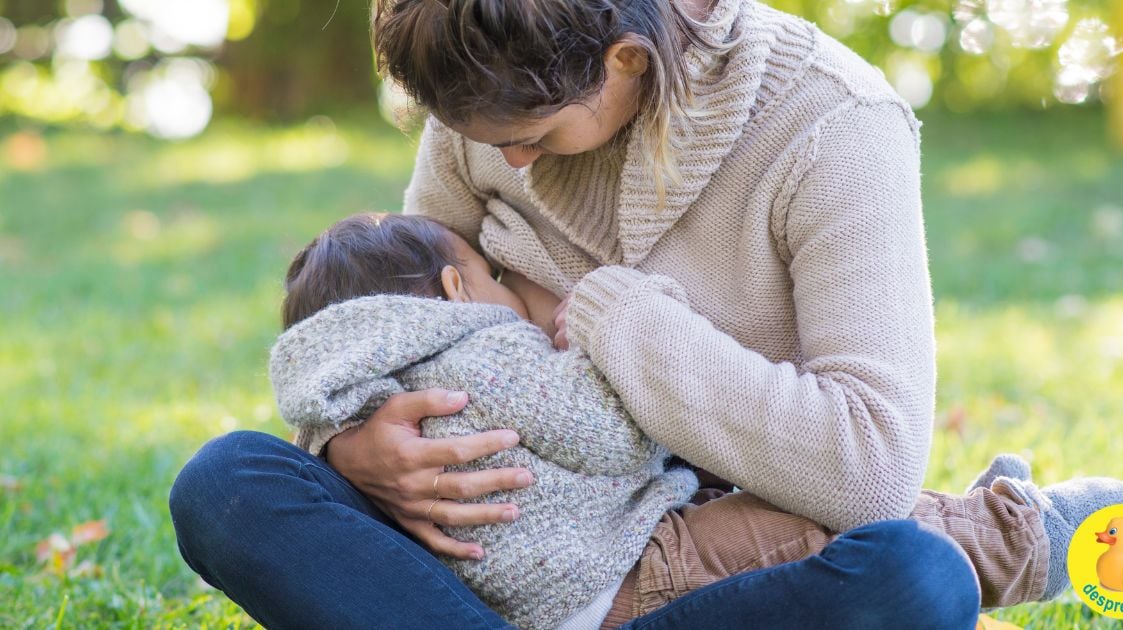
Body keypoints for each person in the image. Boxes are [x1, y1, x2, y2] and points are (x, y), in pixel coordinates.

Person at [166, 0, 1061, 626]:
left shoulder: (834, 127)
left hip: (701, 561)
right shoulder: (487, 92)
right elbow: (412, 317)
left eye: (533, 136)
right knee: (226, 483)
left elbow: (869, 473)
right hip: (484, 567)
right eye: (479, 141)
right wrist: (352, 448)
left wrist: (626, 323)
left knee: (913, 580)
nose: (506, 163)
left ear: (623, 62)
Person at [264, 211, 1123, 629]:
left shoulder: (351, 394)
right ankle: (1031, 538)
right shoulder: (483, 353)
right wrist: (623, 335)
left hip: (557, 592)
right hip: (624, 578)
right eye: (493, 274)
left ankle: (989, 516)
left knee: (833, 536)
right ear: (458, 290)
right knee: (811, 524)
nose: (507, 290)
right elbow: (605, 432)